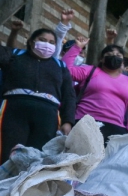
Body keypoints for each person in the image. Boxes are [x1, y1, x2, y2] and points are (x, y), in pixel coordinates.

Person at [0, 28, 76, 162]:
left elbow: (69, 96)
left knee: (38, 157)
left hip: (48, 116)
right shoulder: (14, 55)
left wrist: (68, 121)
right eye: (42, 40)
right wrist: (13, 32)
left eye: (52, 42)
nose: (47, 44)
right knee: (8, 153)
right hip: (14, 111)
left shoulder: (60, 66)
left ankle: (29, 183)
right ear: (31, 42)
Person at [65, 37, 128, 142]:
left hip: (116, 129)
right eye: (109, 55)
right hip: (84, 123)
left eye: (118, 55)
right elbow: (65, 70)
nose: (114, 57)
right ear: (101, 59)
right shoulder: (91, 71)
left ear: (123, 60)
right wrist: (77, 47)